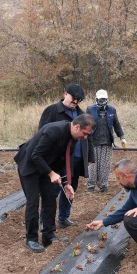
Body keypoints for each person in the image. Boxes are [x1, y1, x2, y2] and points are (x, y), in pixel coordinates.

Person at [14, 114, 95, 253]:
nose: (85, 137)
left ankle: (48, 236)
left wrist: (65, 183)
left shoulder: (73, 137)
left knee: (50, 199)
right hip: (29, 166)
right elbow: (36, 155)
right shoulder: (54, 131)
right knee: (33, 202)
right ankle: (31, 239)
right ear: (77, 127)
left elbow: (62, 159)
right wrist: (51, 174)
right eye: (85, 133)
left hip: (45, 166)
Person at [38, 83, 94, 228]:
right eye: (73, 98)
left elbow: (89, 137)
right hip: (58, 160)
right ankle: (45, 220)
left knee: (71, 188)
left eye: (78, 100)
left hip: (77, 159)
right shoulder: (52, 111)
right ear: (65, 94)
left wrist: (90, 157)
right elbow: (41, 134)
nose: (75, 102)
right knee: (53, 190)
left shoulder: (82, 114)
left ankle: (63, 217)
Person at [86, 89, 126, 193]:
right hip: (93, 142)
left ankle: (103, 185)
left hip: (107, 142)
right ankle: (91, 185)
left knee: (105, 165)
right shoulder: (90, 109)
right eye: (100, 99)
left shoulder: (112, 110)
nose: (102, 101)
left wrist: (122, 137)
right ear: (96, 99)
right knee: (92, 165)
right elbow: (85, 124)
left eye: (104, 99)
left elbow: (116, 125)